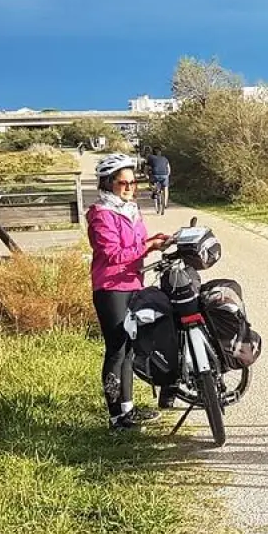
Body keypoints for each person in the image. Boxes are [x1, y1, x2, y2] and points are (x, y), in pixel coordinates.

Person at [87, 153, 174, 430]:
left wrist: (154, 241)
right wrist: (147, 247)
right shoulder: (101, 214)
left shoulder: (131, 210)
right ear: (107, 183)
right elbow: (112, 254)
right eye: (122, 183)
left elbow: (137, 244)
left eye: (133, 182)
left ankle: (128, 410)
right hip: (110, 288)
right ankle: (116, 418)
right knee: (116, 350)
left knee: (129, 350)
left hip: (132, 283)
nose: (129, 187)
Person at [146, 149, 171, 216]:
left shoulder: (150, 157)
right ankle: (165, 204)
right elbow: (168, 168)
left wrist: (146, 175)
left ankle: (154, 190)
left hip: (155, 175)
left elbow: (147, 167)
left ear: (153, 153)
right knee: (165, 188)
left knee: (150, 182)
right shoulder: (165, 158)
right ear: (160, 153)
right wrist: (167, 175)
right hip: (165, 175)